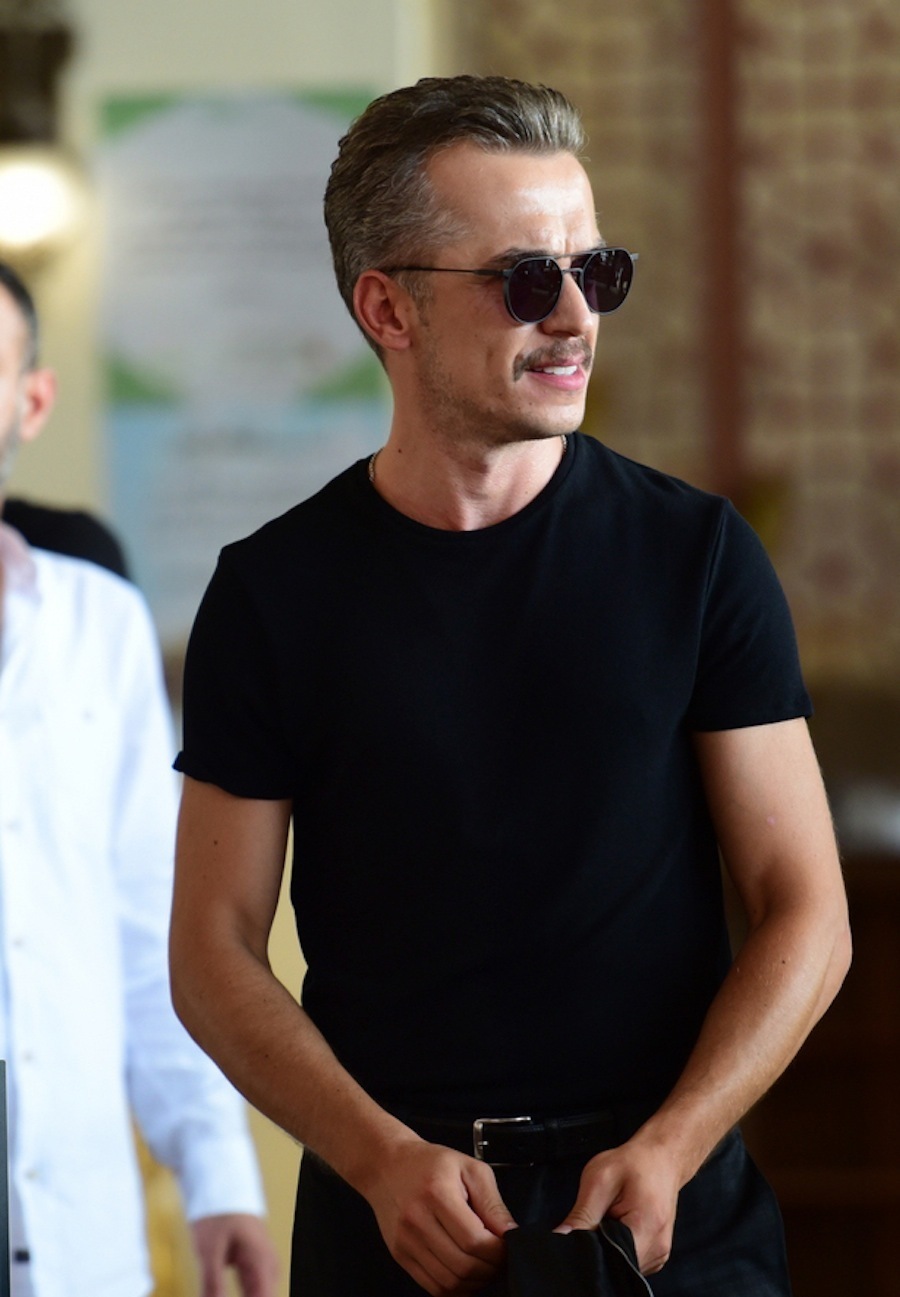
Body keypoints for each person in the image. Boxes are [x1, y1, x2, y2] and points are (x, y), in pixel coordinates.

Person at [169, 75, 851, 1297]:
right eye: (529, 280)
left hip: (667, 1212)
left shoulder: (696, 557)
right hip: (397, 1219)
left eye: (598, 271)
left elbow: (806, 907)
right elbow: (213, 950)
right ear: (389, 307)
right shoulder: (273, 593)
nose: (577, 315)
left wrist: (675, 1146)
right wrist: (377, 1159)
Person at [0, 259, 280, 1297]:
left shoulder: (96, 624)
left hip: (78, 1234)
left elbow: (147, 925)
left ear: (31, 403)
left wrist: (217, 1172)